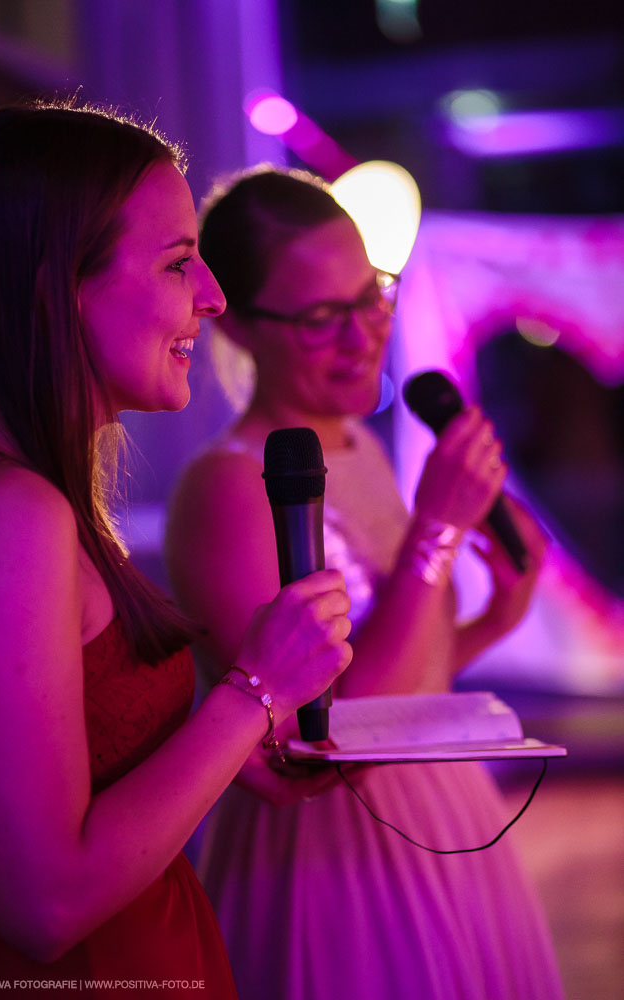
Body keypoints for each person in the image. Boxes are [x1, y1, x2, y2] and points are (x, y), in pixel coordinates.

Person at [0, 107, 353, 997]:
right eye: (179, 264)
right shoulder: (9, 511)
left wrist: (201, 747)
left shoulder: (34, 492)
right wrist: (253, 694)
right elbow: (43, 902)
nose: (211, 297)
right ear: (59, 289)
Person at [165, 166, 565, 1000]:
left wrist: (491, 622)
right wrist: (435, 531)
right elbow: (334, 730)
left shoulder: (358, 446)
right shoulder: (227, 487)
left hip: (446, 813)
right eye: (321, 317)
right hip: (334, 852)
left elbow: (409, 674)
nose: (363, 335)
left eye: (371, 295)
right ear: (236, 326)